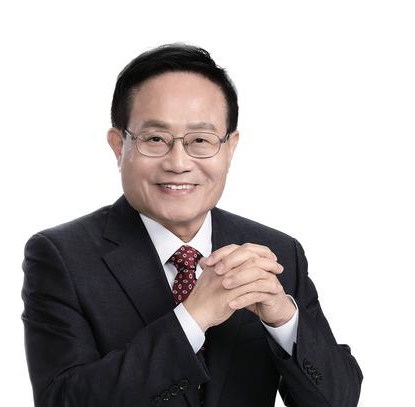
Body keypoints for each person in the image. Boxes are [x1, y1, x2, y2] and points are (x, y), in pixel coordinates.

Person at [21, 43, 363, 407]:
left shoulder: (275, 253)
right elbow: (62, 400)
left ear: (230, 148)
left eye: (200, 140)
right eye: (155, 139)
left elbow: (338, 401)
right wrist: (193, 317)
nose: (179, 163)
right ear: (119, 146)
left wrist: (283, 320)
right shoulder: (61, 257)